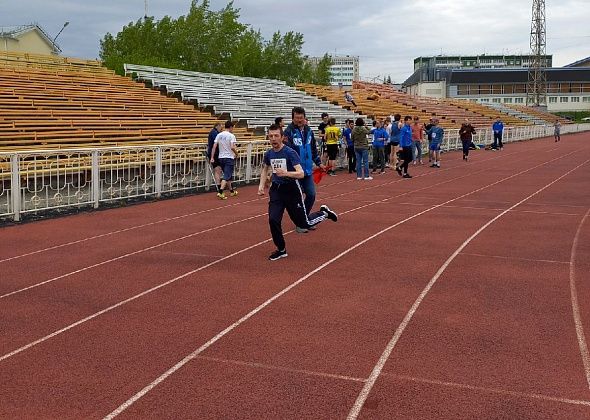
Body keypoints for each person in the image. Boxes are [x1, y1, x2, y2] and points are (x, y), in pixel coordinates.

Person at [258, 124, 338, 261]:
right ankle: (281, 249)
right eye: (271, 136)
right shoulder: (269, 154)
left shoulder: (290, 153)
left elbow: (300, 173)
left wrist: (286, 173)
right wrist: (261, 186)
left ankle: (324, 213)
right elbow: (265, 168)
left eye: (276, 136)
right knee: (273, 220)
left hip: (292, 190)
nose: (273, 139)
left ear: (282, 137)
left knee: (303, 224)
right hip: (276, 190)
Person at [283, 106, 324, 219]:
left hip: (307, 171)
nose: (299, 120)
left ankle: (303, 218)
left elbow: (313, 148)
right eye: (297, 118)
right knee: (297, 197)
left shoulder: (309, 131)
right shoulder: (288, 132)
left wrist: (319, 163)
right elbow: (288, 151)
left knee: (311, 194)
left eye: (301, 117)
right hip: (295, 172)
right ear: (293, 119)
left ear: (305, 118)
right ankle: (300, 221)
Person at [210, 121, 239, 199]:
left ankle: (232, 191)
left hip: (221, 157)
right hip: (229, 157)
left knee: (228, 175)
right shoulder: (231, 136)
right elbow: (233, 147)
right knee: (226, 175)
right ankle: (221, 191)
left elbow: (214, 146)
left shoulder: (219, 135)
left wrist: (212, 157)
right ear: (231, 127)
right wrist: (237, 154)